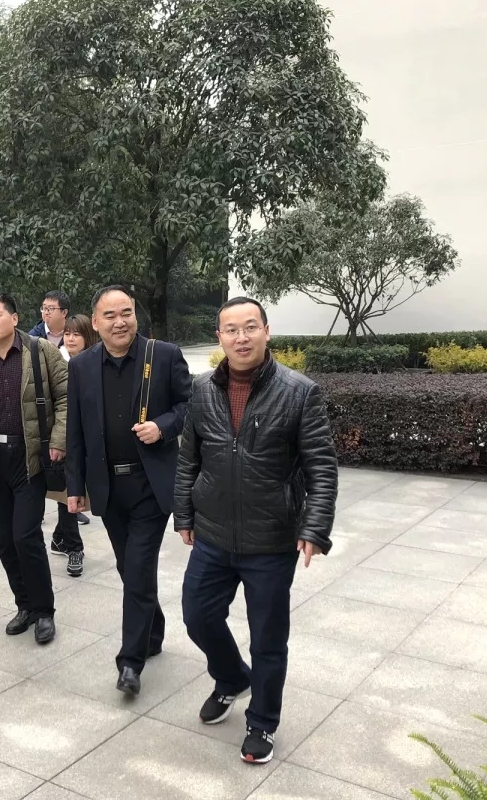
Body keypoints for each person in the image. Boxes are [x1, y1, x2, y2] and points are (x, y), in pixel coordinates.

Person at [175, 297, 337, 765]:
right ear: (219, 336)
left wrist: (314, 526)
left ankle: (262, 721)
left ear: (266, 331)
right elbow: (189, 456)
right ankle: (231, 678)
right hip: (212, 534)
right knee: (197, 616)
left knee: (267, 639)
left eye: (250, 327)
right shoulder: (202, 388)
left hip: (270, 540)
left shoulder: (299, 391)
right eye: (231, 329)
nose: (241, 337)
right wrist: (184, 513)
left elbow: (321, 467)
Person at [65, 285, 192, 696]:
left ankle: (130, 663)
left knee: (137, 569)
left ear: (135, 315)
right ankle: (153, 629)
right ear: (95, 321)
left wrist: (163, 426)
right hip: (107, 487)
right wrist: (74, 487)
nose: (120, 322)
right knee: (129, 568)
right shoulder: (81, 365)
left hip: (150, 485)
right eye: (110, 315)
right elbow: (75, 431)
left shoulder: (164, 355)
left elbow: (190, 406)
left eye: (126, 313)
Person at [0, 291, 68, 645]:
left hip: (30, 456)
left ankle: (44, 610)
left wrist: (58, 440)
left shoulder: (41, 351)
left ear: (15, 318)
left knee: (25, 535)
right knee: (5, 540)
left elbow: (67, 398)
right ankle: (24, 605)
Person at [48, 313, 97, 575]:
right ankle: (74, 547)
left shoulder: (97, 362)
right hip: (66, 438)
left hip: (92, 439)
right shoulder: (57, 362)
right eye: (67, 333)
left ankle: (59, 537)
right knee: (67, 493)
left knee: (75, 492)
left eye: (77, 334)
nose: (70, 338)